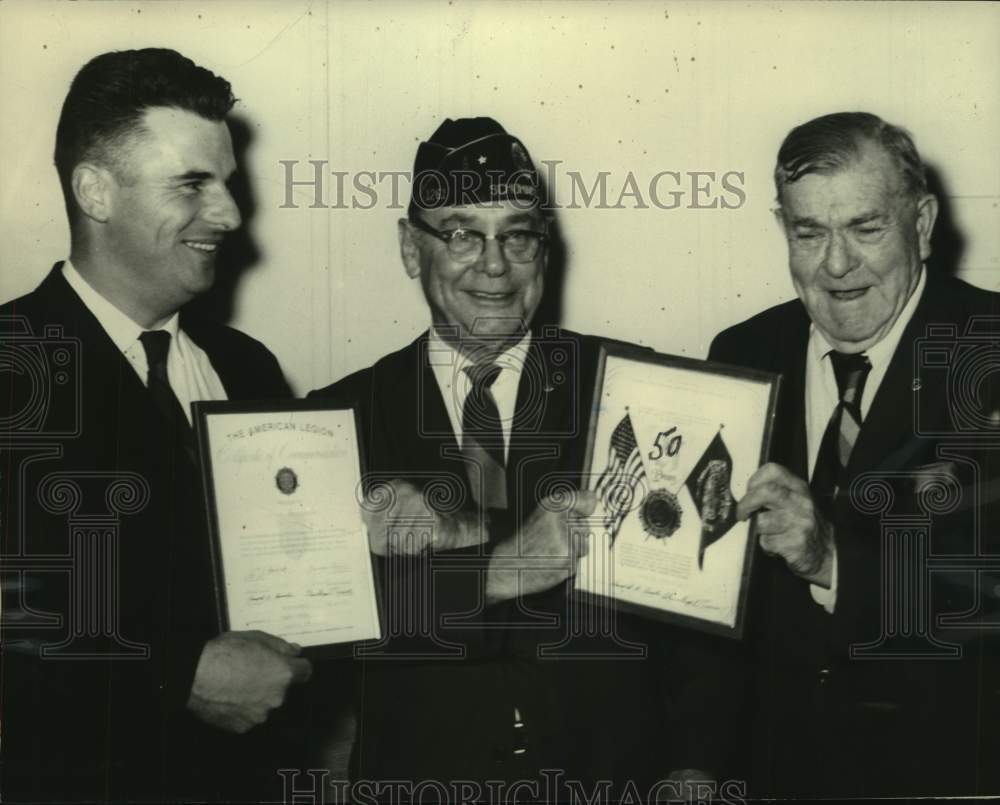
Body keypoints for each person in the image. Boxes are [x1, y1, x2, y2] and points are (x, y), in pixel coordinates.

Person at [310, 117, 723, 800]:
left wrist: (697, 762)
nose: (494, 265)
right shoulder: (337, 420)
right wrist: (498, 569)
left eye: (518, 234)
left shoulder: (634, 389)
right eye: (462, 233)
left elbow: (701, 606)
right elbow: (322, 622)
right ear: (412, 249)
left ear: (546, 251)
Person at [0, 48, 311, 802]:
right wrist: (176, 674)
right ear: (95, 191)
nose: (231, 215)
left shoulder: (248, 368)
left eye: (228, 185)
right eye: (192, 184)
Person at [709, 111, 1000, 797]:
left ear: (922, 224)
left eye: (866, 228)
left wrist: (833, 560)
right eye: (809, 232)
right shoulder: (741, 355)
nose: (836, 266)